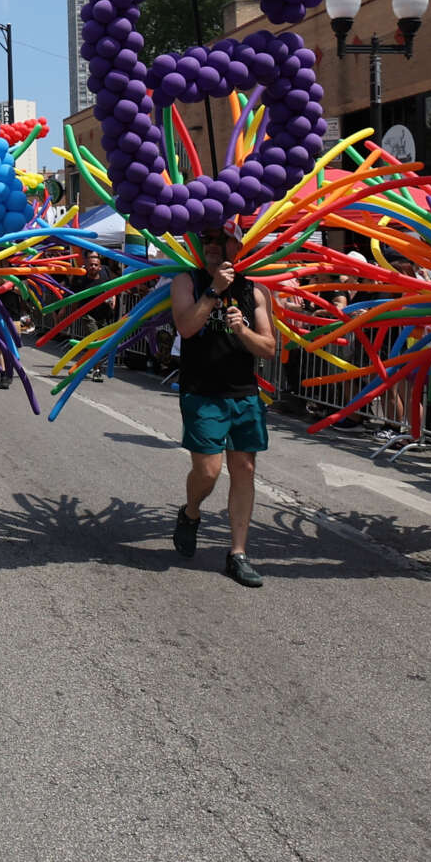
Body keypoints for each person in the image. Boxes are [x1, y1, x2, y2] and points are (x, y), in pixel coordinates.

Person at [169, 222, 278, 588]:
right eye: (207, 238)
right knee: (209, 472)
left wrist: (242, 330)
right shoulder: (188, 282)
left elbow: (269, 347)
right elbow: (185, 327)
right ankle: (191, 512)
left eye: (220, 238)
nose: (212, 244)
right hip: (202, 392)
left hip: (243, 393)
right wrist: (213, 292)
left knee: (244, 469)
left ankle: (238, 553)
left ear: (237, 244)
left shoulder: (255, 292)